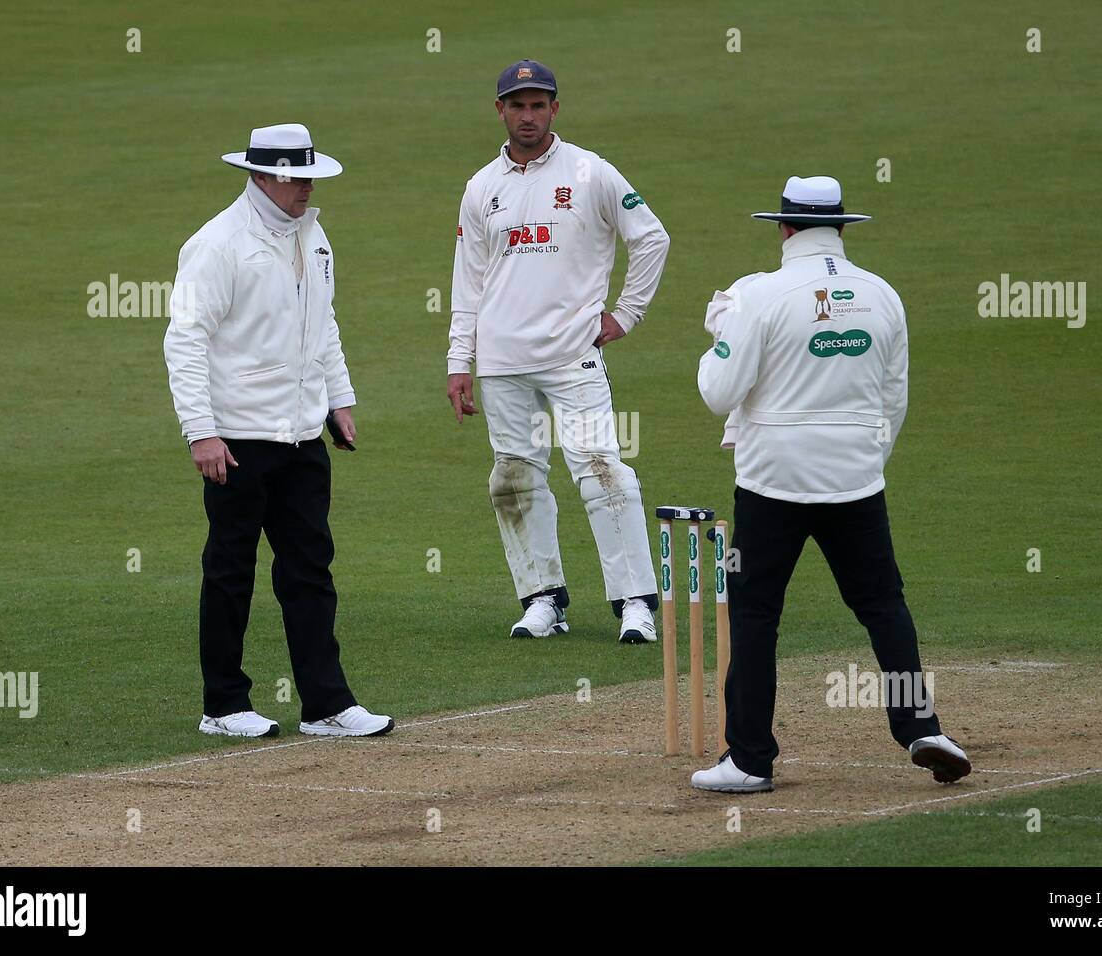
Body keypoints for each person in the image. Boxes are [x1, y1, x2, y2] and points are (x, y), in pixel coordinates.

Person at [690, 175, 970, 792]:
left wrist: (718, 339)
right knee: (882, 603)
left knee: (757, 613)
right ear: (840, 228)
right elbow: (893, 399)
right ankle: (922, 725)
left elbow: (718, 393)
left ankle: (750, 760)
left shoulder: (755, 295)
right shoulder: (882, 295)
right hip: (856, 479)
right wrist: (865, 459)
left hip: (772, 482)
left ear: (783, 228)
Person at [163, 123, 393, 739]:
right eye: (296, 178)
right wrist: (201, 433)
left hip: (300, 439)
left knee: (310, 571)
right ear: (261, 176)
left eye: (310, 176)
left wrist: (338, 400)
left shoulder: (312, 235)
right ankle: (223, 706)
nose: (307, 189)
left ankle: (326, 705)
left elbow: (324, 324)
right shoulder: (218, 245)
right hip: (236, 442)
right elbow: (184, 341)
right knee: (231, 570)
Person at [446, 60, 671, 642]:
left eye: (538, 105)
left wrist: (626, 314)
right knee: (514, 479)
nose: (528, 116)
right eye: (517, 105)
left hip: (573, 355)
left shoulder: (590, 172)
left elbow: (651, 237)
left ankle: (635, 605)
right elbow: (468, 281)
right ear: (500, 110)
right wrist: (458, 361)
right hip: (500, 362)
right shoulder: (480, 187)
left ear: (554, 108)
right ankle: (543, 598)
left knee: (602, 472)